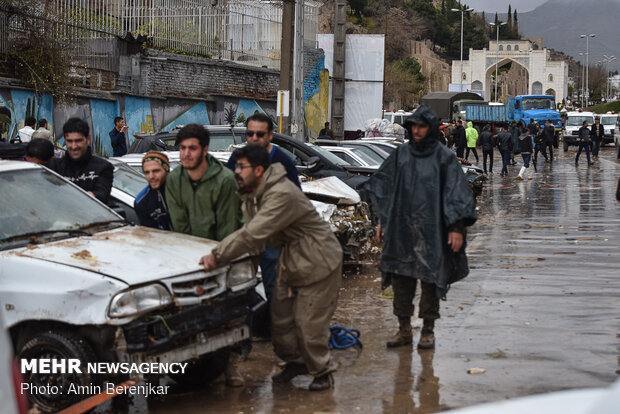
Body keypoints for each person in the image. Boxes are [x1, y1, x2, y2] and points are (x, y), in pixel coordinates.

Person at [200, 144, 342, 391]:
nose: (236, 172)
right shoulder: (251, 196)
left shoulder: (281, 194)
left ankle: (322, 371)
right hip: (290, 261)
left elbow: (253, 233)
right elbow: (254, 243)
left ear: (258, 170)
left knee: (309, 322)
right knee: (281, 320)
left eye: (241, 167)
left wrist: (217, 255)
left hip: (319, 259)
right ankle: (296, 362)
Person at [360, 104, 477, 350]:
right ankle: (404, 329)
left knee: (431, 281)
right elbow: (385, 188)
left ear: (430, 128)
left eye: (421, 126)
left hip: (433, 232)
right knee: (401, 281)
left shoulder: (443, 157)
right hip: (401, 230)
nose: (416, 130)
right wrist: (384, 220)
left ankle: (427, 331)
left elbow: (456, 193)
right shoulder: (401, 155)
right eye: (413, 125)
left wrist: (456, 227)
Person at [165, 123, 244, 387]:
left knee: (230, 311)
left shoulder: (224, 179)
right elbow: (179, 225)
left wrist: (217, 258)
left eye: (192, 148)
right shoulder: (175, 179)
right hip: (188, 255)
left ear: (205, 150)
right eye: (182, 148)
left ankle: (232, 361)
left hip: (222, 252)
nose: (185, 154)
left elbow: (228, 228)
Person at [227, 113, 301, 302]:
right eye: (250, 133)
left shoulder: (283, 161)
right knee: (238, 285)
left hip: (273, 236)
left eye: (260, 134)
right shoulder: (236, 158)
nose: (254, 138)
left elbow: (296, 201)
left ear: (270, 135)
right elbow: (229, 195)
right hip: (244, 230)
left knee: (275, 286)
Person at [47, 118, 113, 203]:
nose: (74, 146)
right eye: (69, 141)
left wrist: (93, 196)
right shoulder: (53, 167)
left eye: (78, 141)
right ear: (65, 140)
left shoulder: (103, 167)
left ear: (88, 139)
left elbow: (102, 194)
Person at [134, 151, 173, 231]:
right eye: (147, 172)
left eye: (156, 171)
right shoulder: (142, 202)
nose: (151, 176)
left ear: (166, 170)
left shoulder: (182, 189)